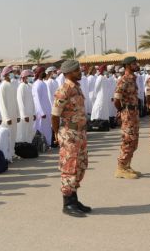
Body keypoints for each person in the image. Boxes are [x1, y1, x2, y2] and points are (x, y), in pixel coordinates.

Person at [51, 60, 90, 217]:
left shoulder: (77, 88)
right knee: (69, 168)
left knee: (80, 166)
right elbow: (55, 115)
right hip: (70, 135)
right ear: (68, 73)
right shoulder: (64, 90)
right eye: (76, 70)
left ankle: (74, 199)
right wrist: (56, 133)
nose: (79, 72)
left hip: (79, 134)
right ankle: (67, 203)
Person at [113, 56, 141, 179]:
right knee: (128, 140)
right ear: (128, 65)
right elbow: (116, 99)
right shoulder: (123, 80)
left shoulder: (132, 79)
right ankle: (121, 168)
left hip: (133, 113)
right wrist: (121, 110)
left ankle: (127, 165)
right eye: (134, 64)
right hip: (128, 114)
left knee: (134, 141)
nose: (137, 65)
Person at [0, 65, 19, 161]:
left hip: (14, 114)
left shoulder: (12, 85)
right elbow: (1, 103)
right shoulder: (3, 86)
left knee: (13, 135)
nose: (11, 74)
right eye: (9, 73)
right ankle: (6, 156)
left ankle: (12, 154)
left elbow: (16, 101)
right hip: (7, 117)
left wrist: (18, 115)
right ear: (5, 74)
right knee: (7, 137)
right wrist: (6, 118)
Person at [32, 67, 52, 146]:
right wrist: (41, 112)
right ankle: (41, 145)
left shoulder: (43, 83)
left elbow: (46, 99)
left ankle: (48, 144)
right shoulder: (37, 84)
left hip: (47, 110)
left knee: (47, 129)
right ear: (39, 73)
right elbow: (37, 100)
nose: (44, 73)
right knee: (41, 129)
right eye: (42, 71)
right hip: (41, 112)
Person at [16, 69, 36, 143]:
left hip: (30, 113)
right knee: (23, 132)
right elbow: (20, 102)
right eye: (29, 76)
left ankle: (29, 147)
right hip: (25, 115)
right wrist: (24, 115)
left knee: (30, 132)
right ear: (24, 77)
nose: (31, 77)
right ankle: (24, 148)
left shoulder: (29, 86)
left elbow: (33, 101)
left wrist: (34, 113)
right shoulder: (21, 87)